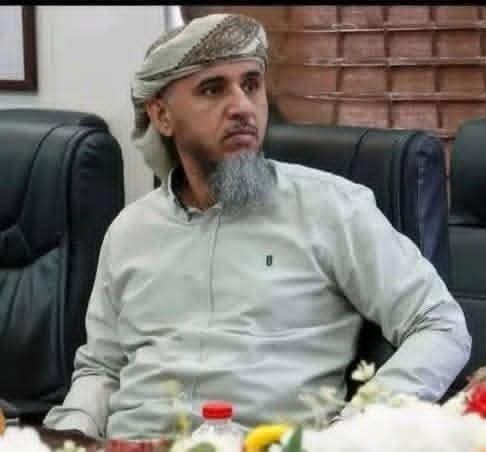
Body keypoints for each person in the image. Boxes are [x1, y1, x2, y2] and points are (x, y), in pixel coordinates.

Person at [43, 13, 471, 440]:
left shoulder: (332, 209)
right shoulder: (130, 230)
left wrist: (354, 432)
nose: (242, 107)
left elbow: (440, 324)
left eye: (251, 85)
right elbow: (101, 368)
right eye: (213, 89)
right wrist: (67, 435)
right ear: (162, 116)